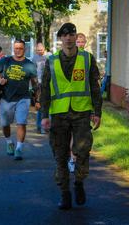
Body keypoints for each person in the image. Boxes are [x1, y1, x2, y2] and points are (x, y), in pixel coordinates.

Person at [40, 23, 102, 210]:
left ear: (76, 37)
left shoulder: (87, 59)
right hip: (59, 115)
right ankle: (65, 193)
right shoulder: (51, 61)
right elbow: (44, 90)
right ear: (60, 39)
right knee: (60, 154)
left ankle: (79, 183)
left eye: (71, 34)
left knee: (82, 151)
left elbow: (95, 87)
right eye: (64, 35)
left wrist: (97, 112)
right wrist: (44, 115)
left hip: (82, 113)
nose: (68, 38)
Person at [0, 40, 39, 160]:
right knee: (5, 124)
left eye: (20, 48)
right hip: (6, 98)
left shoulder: (29, 65)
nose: (18, 50)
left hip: (23, 98)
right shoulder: (6, 60)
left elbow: (35, 83)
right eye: (16, 48)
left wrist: (37, 99)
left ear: (25, 49)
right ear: (13, 48)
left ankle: (18, 149)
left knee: (21, 123)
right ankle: (9, 143)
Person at [67, 32, 89, 173]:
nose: (80, 44)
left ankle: (76, 158)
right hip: (68, 102)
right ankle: (71, 159)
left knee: (80, 135)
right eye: (78, 42)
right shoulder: (69, 58)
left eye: (82, 42)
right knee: (70, 134)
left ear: (85, 43)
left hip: (83, 102)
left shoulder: (87, 58)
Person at [32, 42, 47, 134]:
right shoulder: (34, 58)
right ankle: (39, 126)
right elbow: (33, 71)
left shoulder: (49, 56)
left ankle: (46, 126)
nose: (39, 52)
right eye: (38, 50)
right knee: (40, 105)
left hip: (48, 83)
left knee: (47, 105)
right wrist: (34, 85)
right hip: (39, 84)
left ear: (44, 49)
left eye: (41, 50)